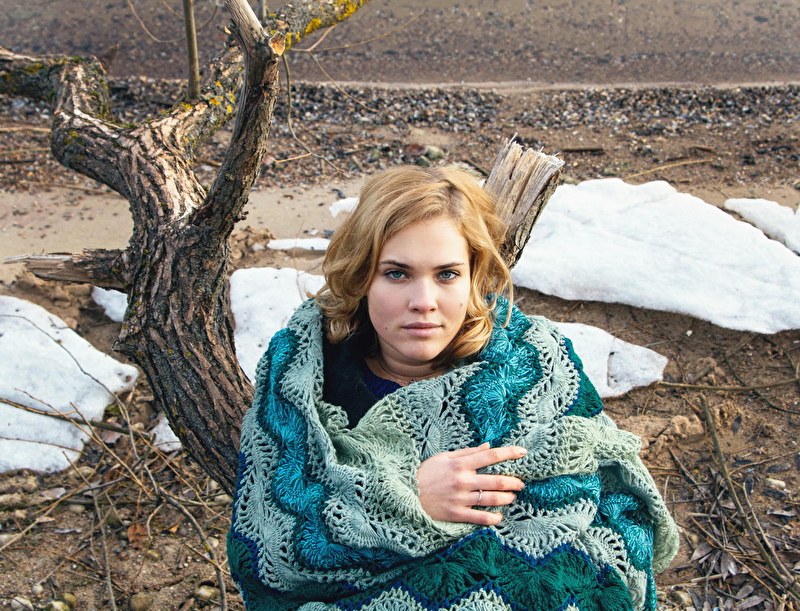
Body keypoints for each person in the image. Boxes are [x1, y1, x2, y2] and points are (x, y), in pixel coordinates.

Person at [227, 165, 679, 611]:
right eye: (397, 273)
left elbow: (622, 505)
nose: (423, 302)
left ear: (474, 277)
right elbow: (273, 552)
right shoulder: (304, 380)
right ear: (362, 275)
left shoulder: (535, 364)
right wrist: (403, 498)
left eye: (446, 274)